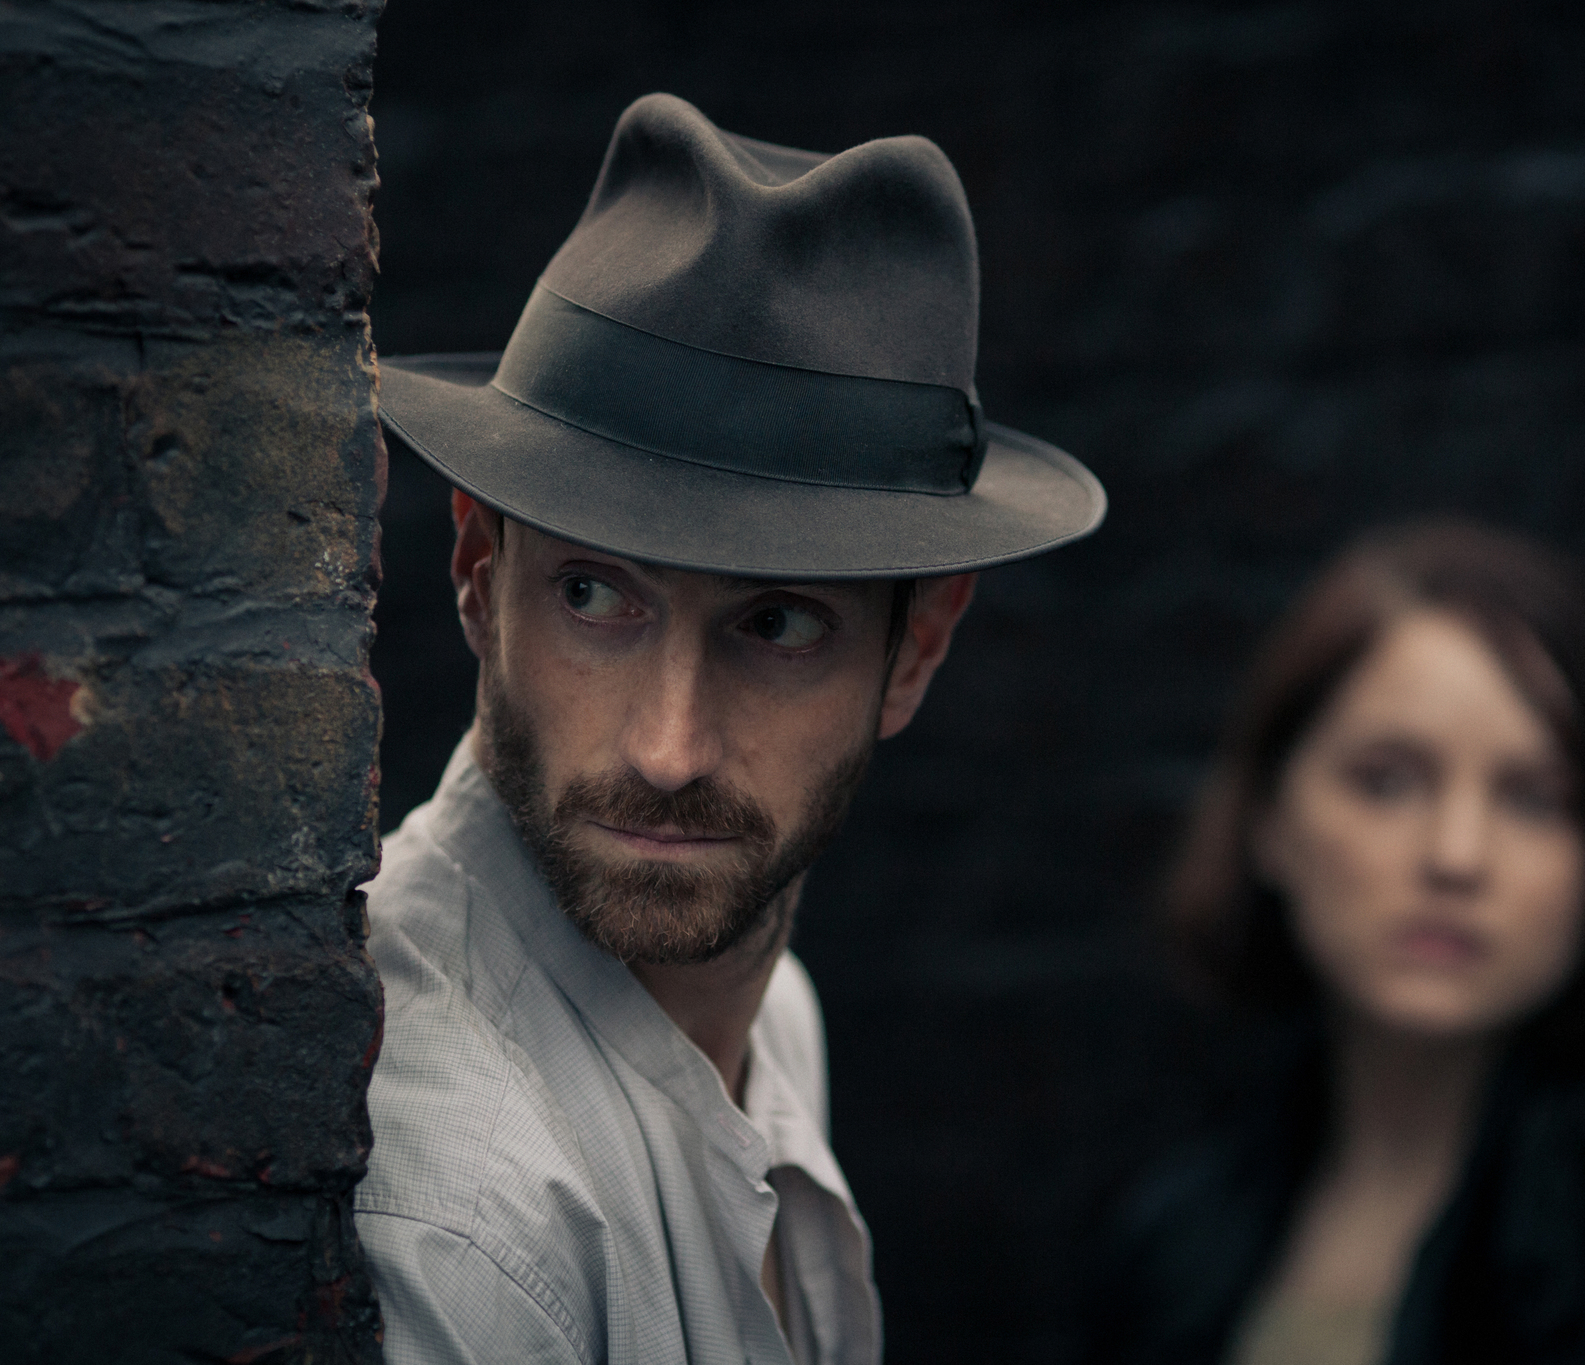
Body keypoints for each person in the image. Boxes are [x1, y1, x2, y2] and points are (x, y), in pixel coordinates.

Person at [353, 94, 1106, 1365]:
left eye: (777, 625)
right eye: (594, 596)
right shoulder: (467, 1230)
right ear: (479, 572)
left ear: (913, 648)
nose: (666, 749)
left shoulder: (773, 1016)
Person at [1092, 520, 1585, 1365]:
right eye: (1387, 779)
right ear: (1272, 820)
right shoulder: (1171, 1243)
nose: (1457, 856)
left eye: (1536, 799)